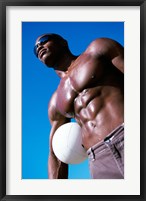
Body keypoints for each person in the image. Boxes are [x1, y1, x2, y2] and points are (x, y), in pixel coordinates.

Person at [34, 33, 124, 179]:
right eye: (35, 48)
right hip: (99, 159)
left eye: (43, 41)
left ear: (63, 42)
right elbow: (56, 154)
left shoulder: (98, 49)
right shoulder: (55, 101)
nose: (39, 47)